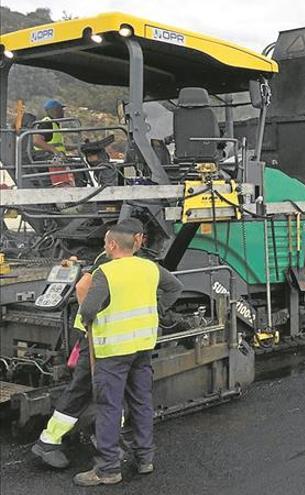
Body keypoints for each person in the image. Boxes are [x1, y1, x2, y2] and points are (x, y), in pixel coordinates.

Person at [73, 219, 182, 486]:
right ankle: (145, 459)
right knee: (142, 403)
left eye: (105, 243)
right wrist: (158, 308)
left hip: (112, 351)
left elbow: (88, 310)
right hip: (142, 346)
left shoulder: (106, 273)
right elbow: (175, 288)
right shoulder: (150, 267)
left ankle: (108, 469)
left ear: (112, 244)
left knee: (109, 407)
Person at [30, 251, 111, 469]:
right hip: (97, 338)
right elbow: (83, 288)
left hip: (102, 338)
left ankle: (105, 438)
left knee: (101, 388)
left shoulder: (108, 261)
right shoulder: (111, 265)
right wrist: (89, 324)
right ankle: (48, 441)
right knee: (84, 388)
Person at [32, 99, 74, 187]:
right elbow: (36, 141)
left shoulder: (54, 124)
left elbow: (57, 144)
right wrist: (56, 152)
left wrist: (77, 147)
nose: (62, 112)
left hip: (55, 157)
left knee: (76, 165)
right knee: (74, 166)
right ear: (54, 111)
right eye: (60, 110)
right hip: (46, 158)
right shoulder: (47, 123)